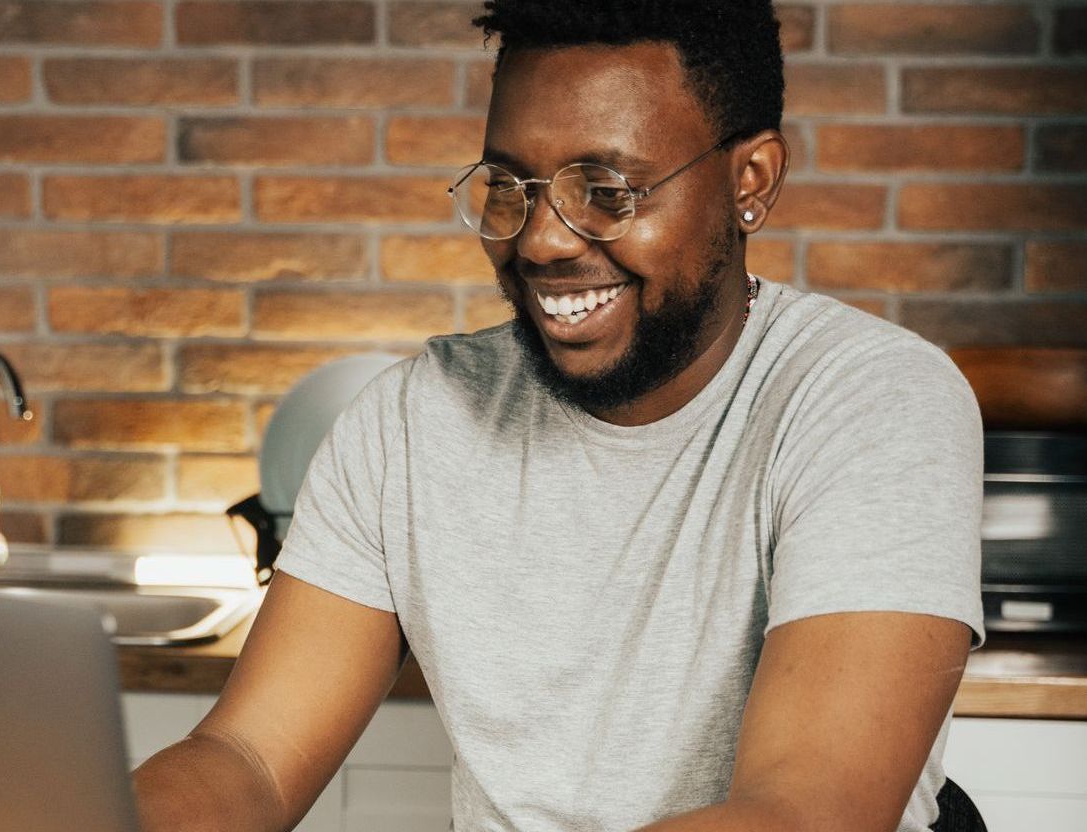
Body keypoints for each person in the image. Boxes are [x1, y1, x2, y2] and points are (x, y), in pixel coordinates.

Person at [130, 1, 986, 829]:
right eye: (511, 187)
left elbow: (804, 815)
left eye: (606, 190)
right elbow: (247, 759)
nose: (541, 241)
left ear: (749, 182)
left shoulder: (870, 401)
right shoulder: (409, 425)